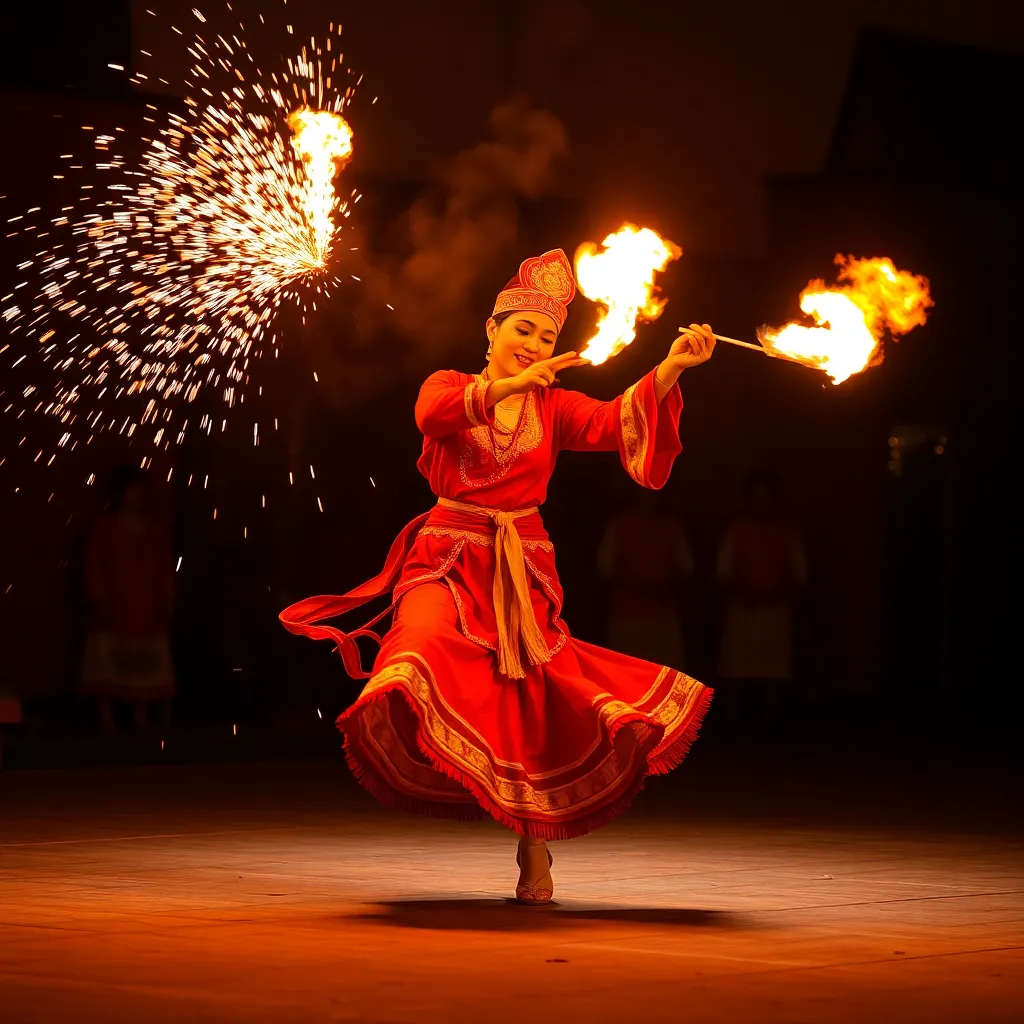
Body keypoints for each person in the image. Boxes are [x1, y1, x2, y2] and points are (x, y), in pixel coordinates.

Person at [281, 249, 716, 904]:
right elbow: (434, 418)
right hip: (448, 556)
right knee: (420, 641)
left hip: (519, 570)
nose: (534, 345)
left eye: (546, 337)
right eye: (524, 331)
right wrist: (511, 386)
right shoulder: (447, 384)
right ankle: (411, 721)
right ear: (493, 329)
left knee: (528, 703)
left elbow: (609, 424)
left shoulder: (556, 406)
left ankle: (533, 845)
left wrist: (669, 370)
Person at [81, 467, 175, 732]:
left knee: (146, 662)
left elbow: (165, 570)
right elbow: (93, 565)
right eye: (132, 490)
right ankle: (106, 717)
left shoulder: (155, 532)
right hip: (112, 607)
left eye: (142, 491)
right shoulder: (104, 528)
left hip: (146, 609)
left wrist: (166, 601)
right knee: (105, 659)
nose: (138, 496)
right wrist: (99, 599)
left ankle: (140, 715)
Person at [716, 471, 807, 724]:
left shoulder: (788, 532)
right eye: (757, 496)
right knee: (738, 666)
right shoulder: (736, 531)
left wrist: (777, 594)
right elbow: (724, 571)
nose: (762, 502)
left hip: (777, 609)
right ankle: (735, 723)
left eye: (767, 496)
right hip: (743, 607)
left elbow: (799, 573)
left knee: (774, 668)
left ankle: (771, 723)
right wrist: (745, 593)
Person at [598, 488, 694, 669]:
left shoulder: (672, 528)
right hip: (628, 614)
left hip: (662, 615)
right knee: (628, 669)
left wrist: (660, 586)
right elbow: (605, 568)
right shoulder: (619, 527)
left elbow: (685, 568)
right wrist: (635, 584)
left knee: (663, 670)